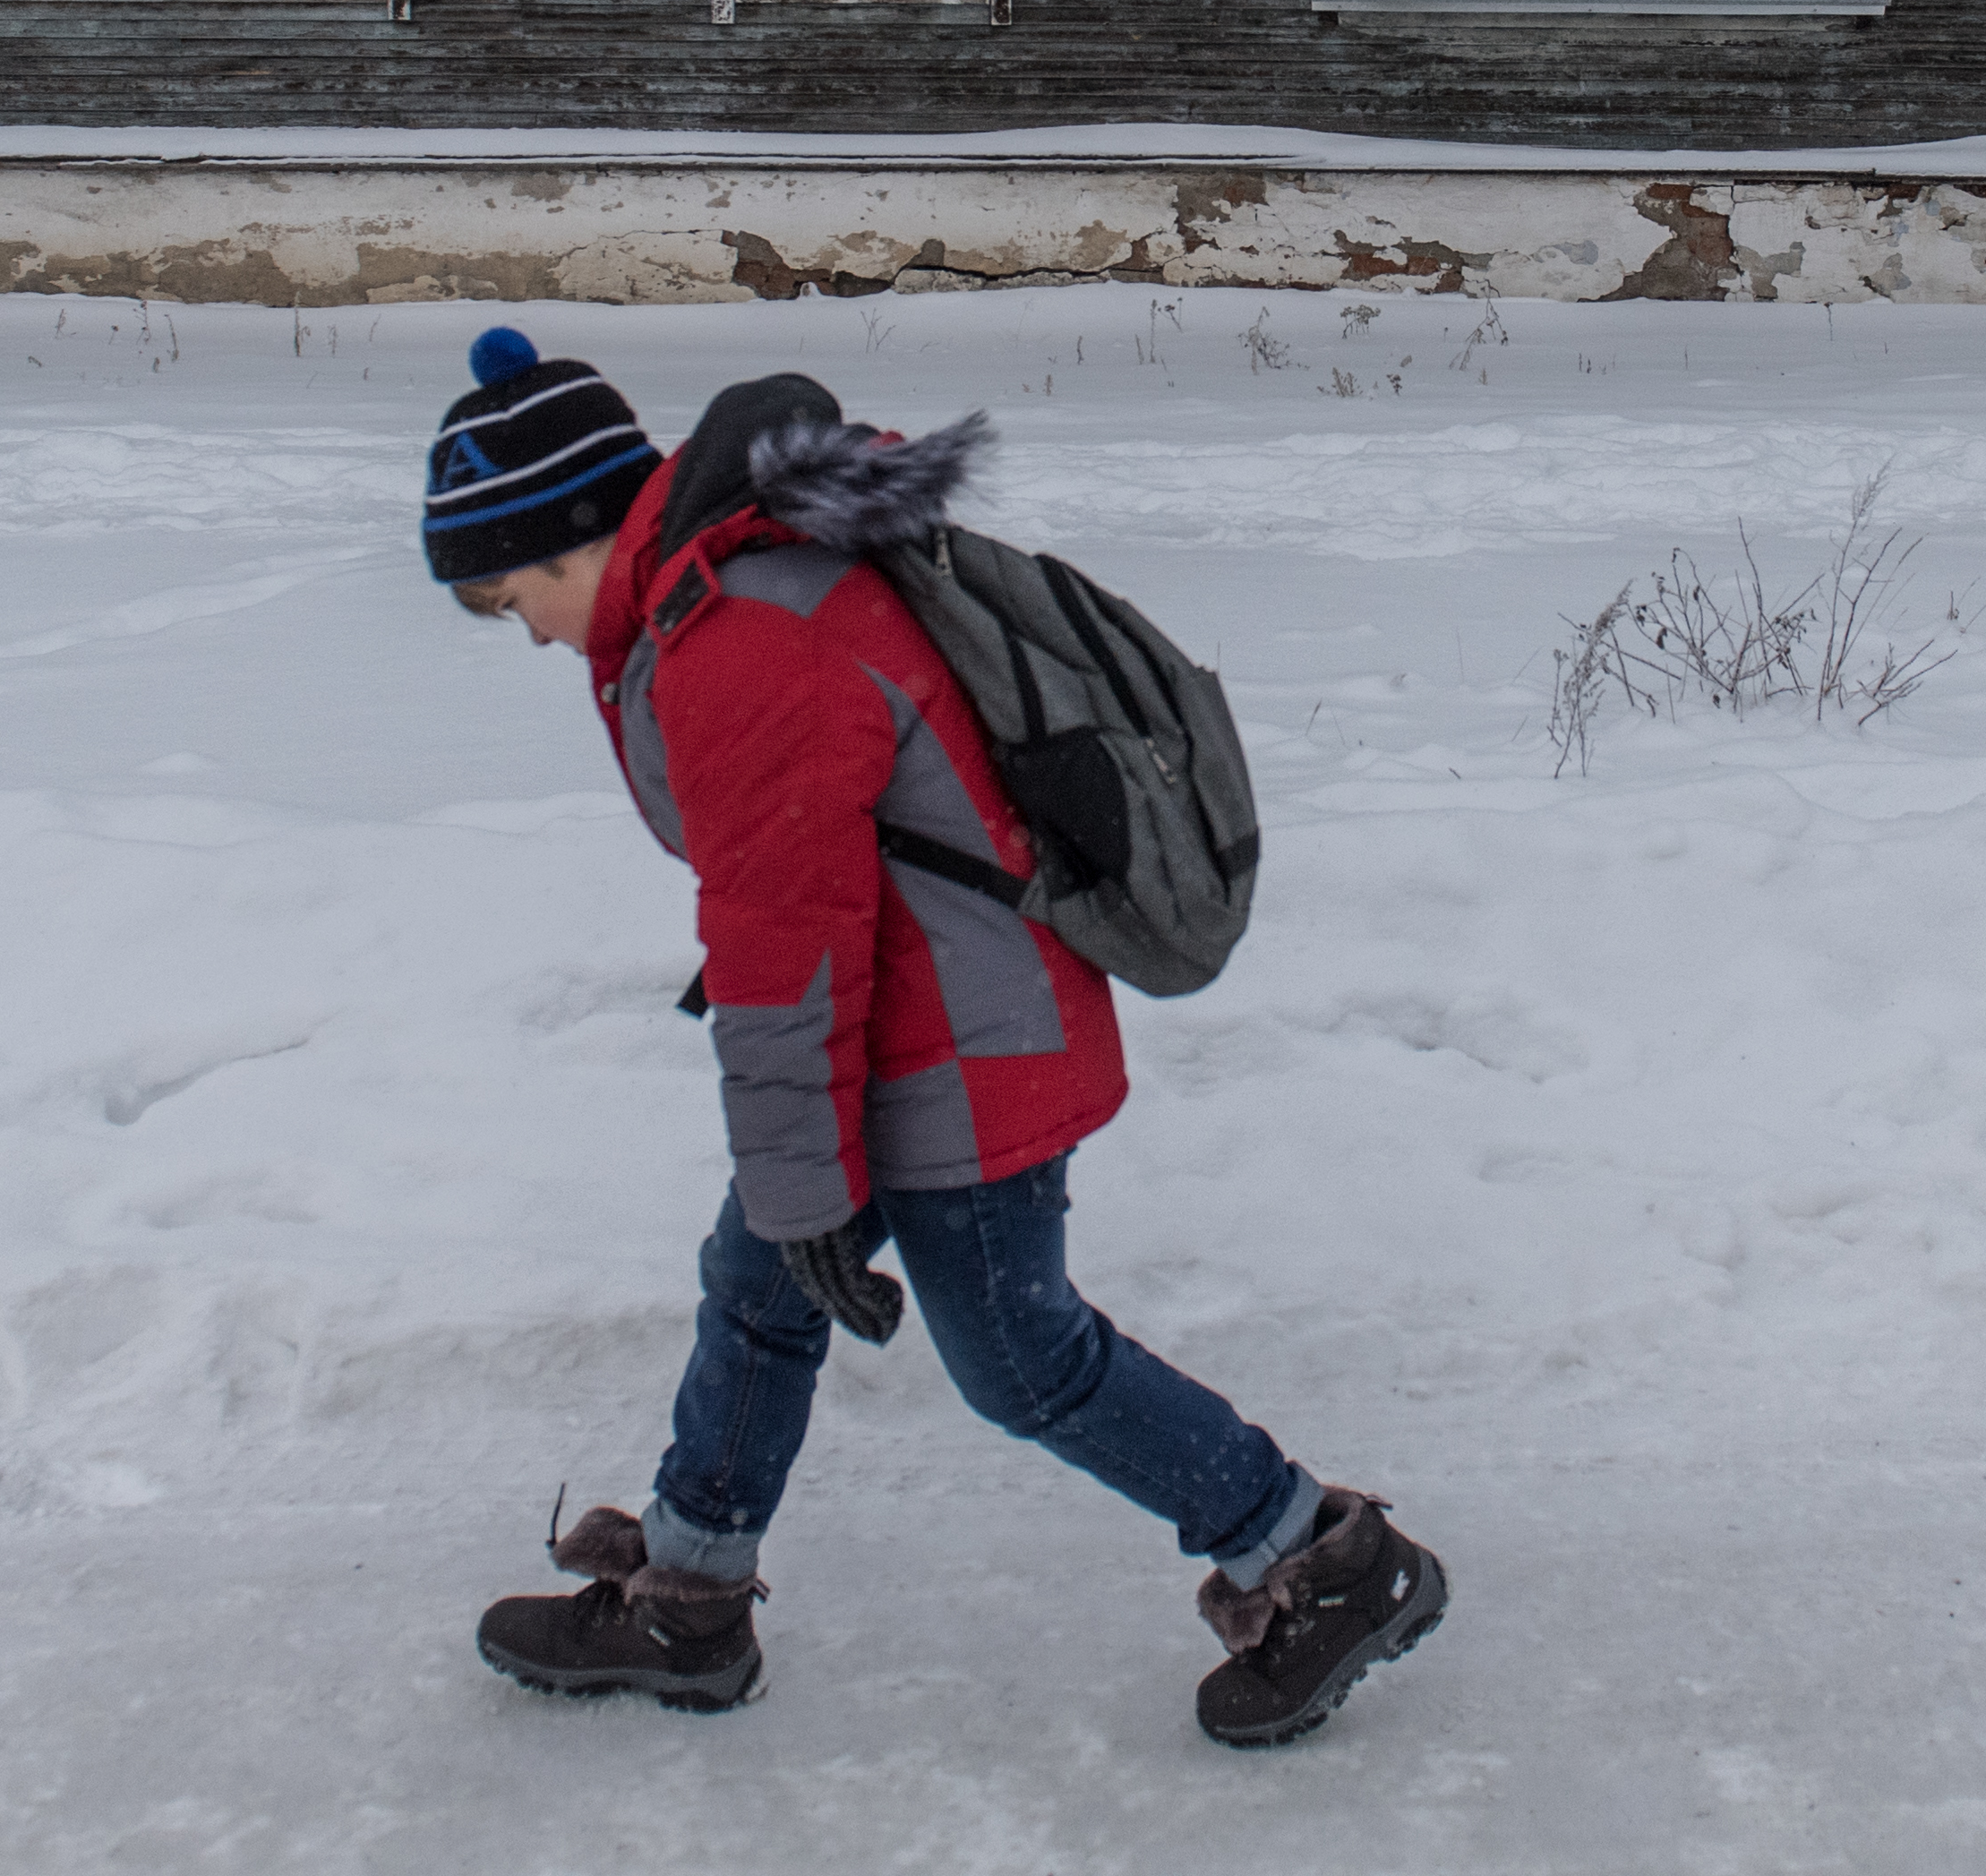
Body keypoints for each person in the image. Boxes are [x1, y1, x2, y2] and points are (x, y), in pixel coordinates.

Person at [416, 327, 1445, 1747]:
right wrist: (797, 1195)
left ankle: (1320, 1557)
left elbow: (787, 950)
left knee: (1024, 1360)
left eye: (504, 589)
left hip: (959, 1054)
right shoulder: (718, 595)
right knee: (762, 1284)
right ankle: (691, 1596)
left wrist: (808, 1183)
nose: (516, 626)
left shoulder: (736, 640)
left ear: (580, 532)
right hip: (927, 1028)